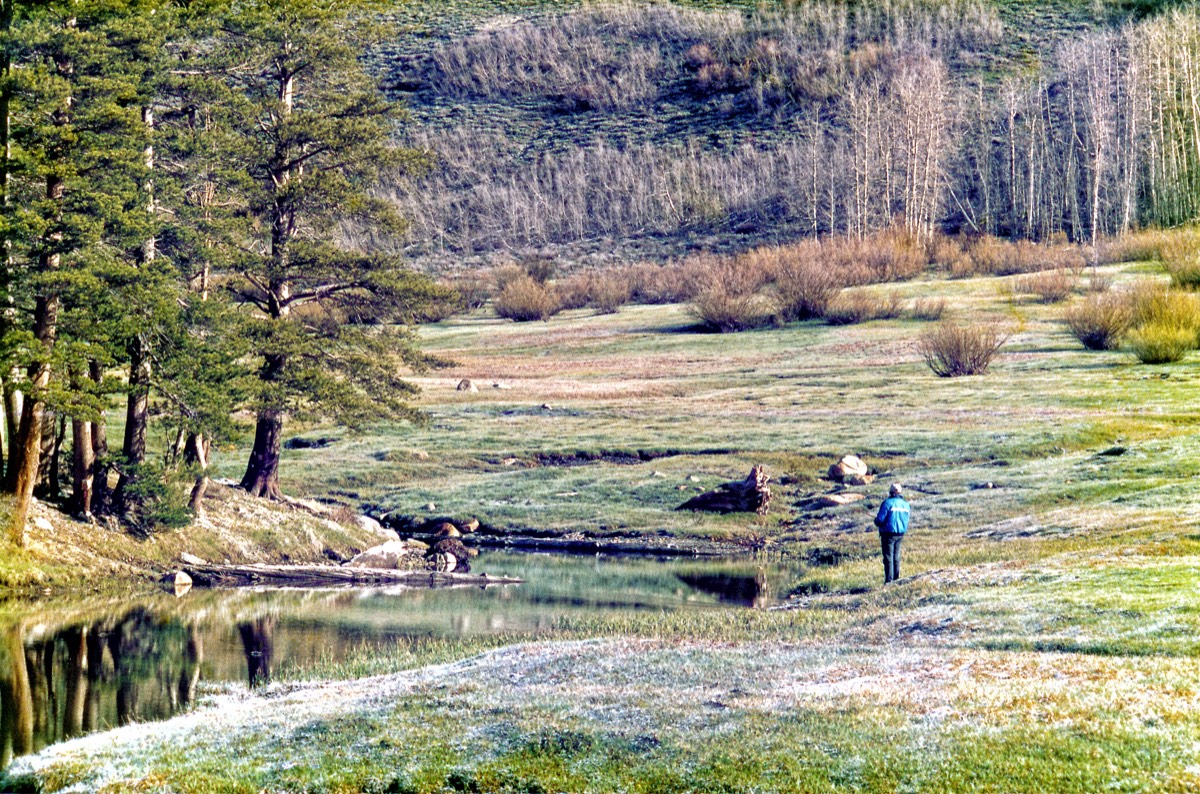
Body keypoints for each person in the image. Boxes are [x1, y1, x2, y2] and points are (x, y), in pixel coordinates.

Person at [874, 483, 910, 584]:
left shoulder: (887, 503)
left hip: (888, 534)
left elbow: (880, 520)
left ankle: (889, 581)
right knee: (896, 556)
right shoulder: (906, 504)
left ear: (891, 491)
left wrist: (876, 521)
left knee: (888, 557)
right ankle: (896, 579)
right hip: (900, 534)